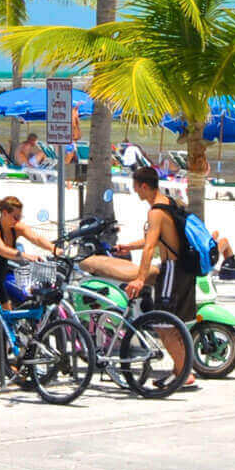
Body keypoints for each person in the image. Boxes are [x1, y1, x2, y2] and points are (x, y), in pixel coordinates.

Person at [81, 164, 196, 386]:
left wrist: (140, 278)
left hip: (172, 269)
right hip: (183, 268)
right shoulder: (170, 204)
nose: (136, 192)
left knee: (163, 324)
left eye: (136, 187)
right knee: (174, 324)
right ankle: (181, 370)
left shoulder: (156, 212)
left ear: (144, 186)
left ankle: (184, 374)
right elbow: (159, 239)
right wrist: (128, 247)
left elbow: (150, 246)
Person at [0, 195, 53, 304]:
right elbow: (2, 250)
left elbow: (36, 238)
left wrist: (53, 248)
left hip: (0, 279)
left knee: (8, 317)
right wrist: (26, 256)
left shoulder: (15, 228)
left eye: (20, 217)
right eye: (15, 217)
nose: (18, 221)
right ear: (5, 213)